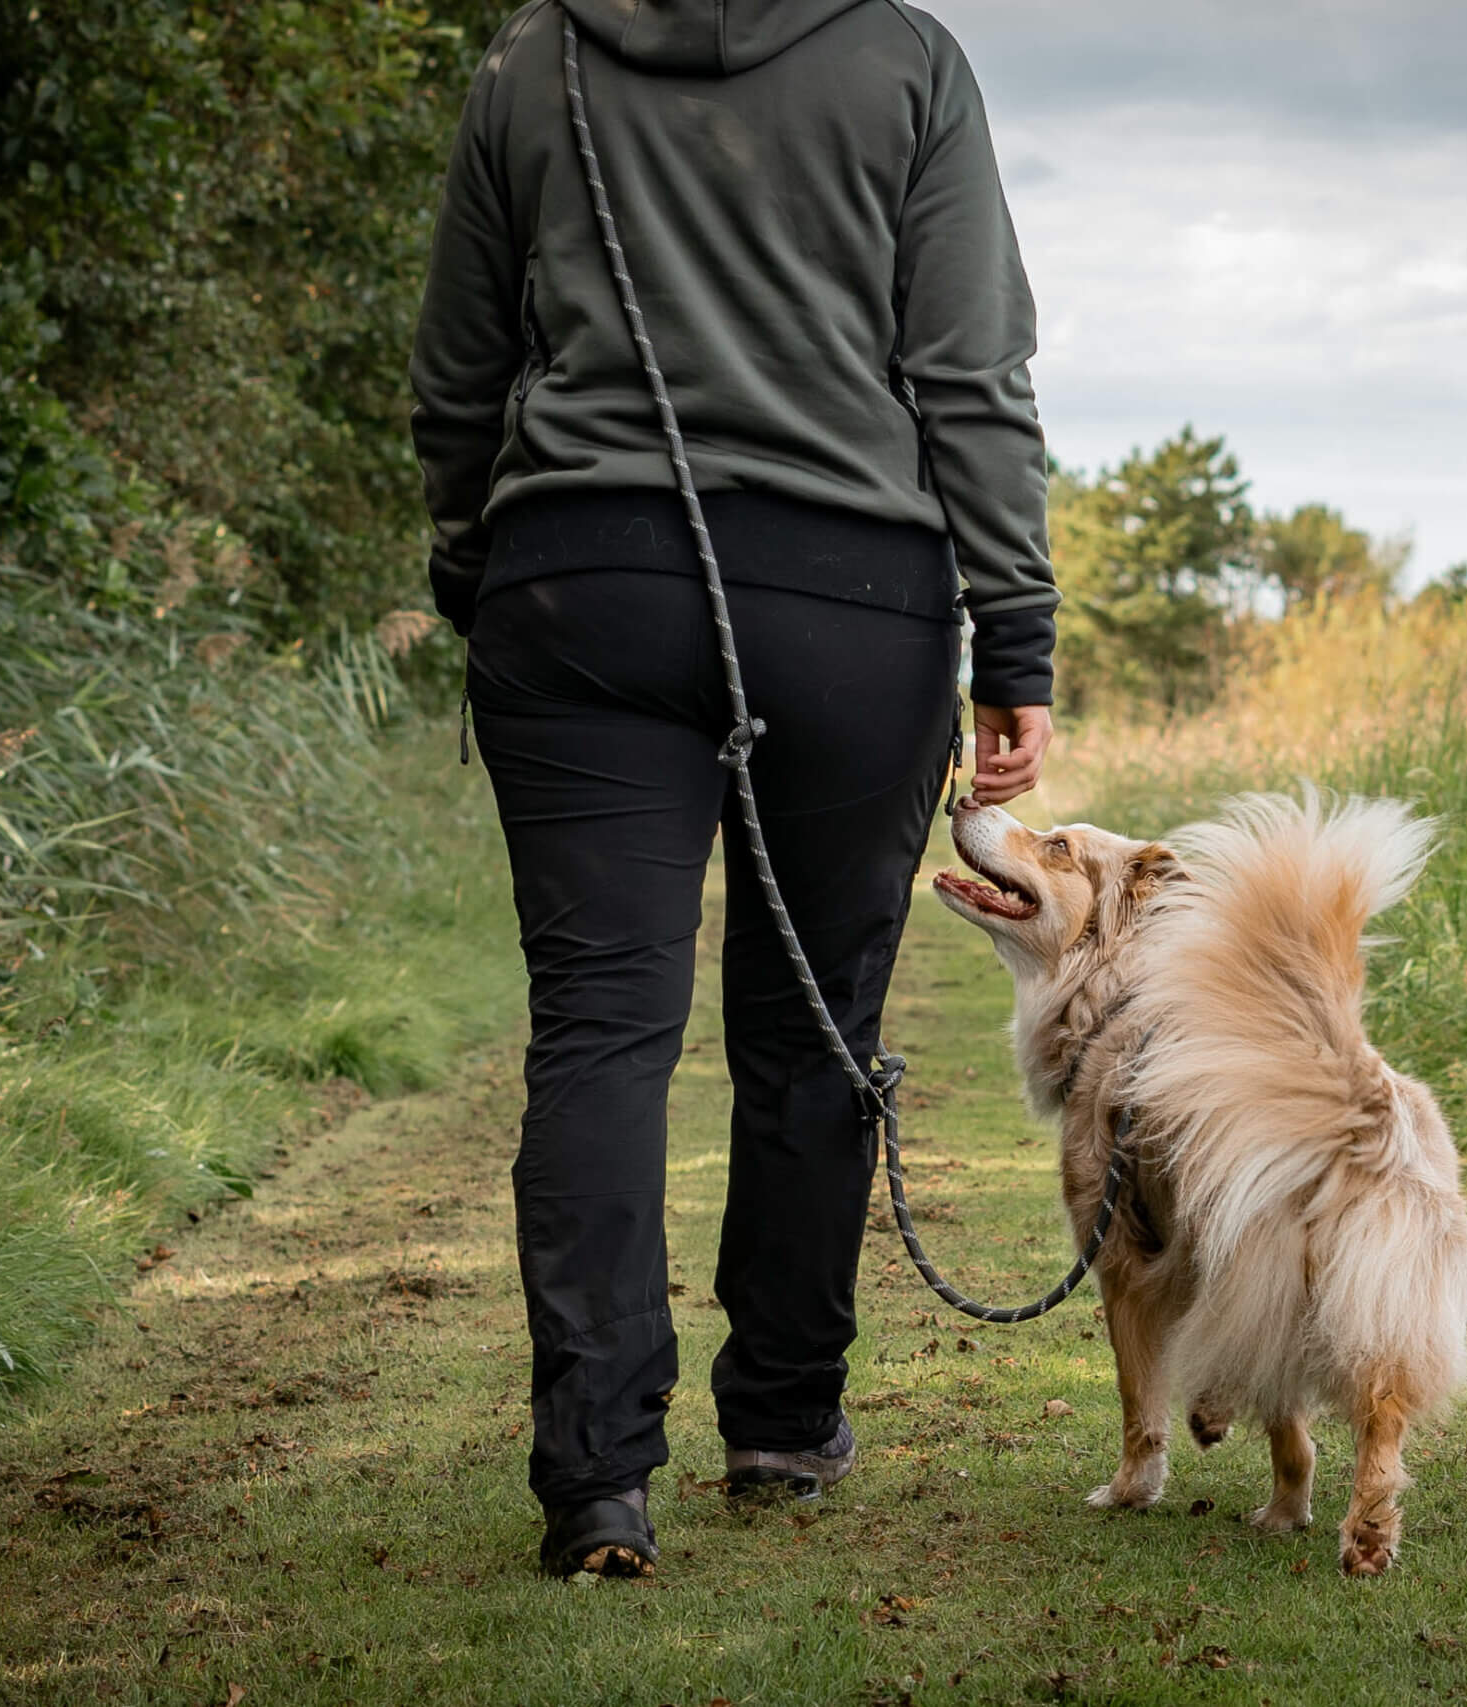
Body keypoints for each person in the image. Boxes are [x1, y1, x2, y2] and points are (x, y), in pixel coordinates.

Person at [409, 0, 1055, 1579]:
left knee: (603, 1028)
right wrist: (1015, 636)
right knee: (816, 1022)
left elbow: (460, 366)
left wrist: (473, 560)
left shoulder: (529, 58)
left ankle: (595, 1480)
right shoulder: (909, 63)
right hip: (855, 602)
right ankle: (779, 1417)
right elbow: (966, 367)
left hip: (582, 582)